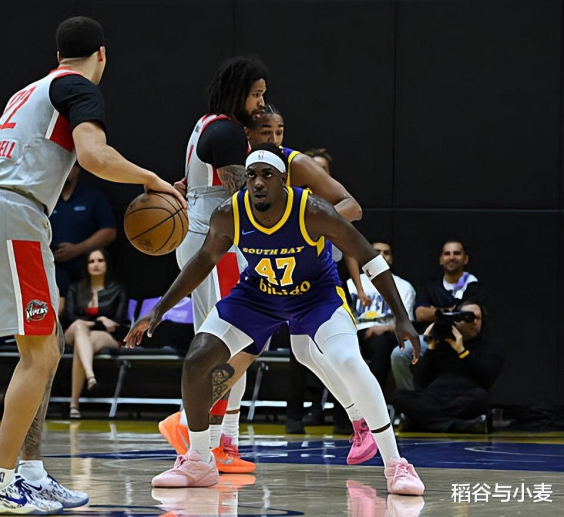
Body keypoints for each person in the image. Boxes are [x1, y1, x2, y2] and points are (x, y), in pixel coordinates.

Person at [0, 16, 185, 514]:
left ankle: (30, 473)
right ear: (101, 55)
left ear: (58, 53)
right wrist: (151, 179)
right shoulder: (78, 86)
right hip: (13, 215)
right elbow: (94, 155)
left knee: (49, 347)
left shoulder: (30, 90)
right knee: (39, 356)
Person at [127, 145, 424, 495]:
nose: (257, 182)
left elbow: (370, 257)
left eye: (267, 175)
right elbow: (204, 259)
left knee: (346, 359)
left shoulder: (313, 210)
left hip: (315, 297)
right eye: (252, 175)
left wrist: (401, 317)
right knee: (197, 359)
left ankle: (396, 464)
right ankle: (199, 460)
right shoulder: (229, 212)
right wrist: (159, 309)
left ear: (283, 179)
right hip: (258, 296)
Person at [163, 85, 363, 472]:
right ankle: (213, 435)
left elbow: (350, 205)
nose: (273, 138)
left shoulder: (291, 163)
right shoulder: (247, 172)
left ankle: (359, 421)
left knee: (295, 350)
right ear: (247, 136)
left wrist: (311, 223)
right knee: (243, 345)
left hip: (307, 273)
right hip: (262, 271)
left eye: (279, 131)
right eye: (264, 131)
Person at [392, 300, 502, 433]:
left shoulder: (489, 345)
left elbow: (486, 379)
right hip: (436, 396)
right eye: (468, 317)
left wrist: (462, 351)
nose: (474, 322)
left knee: (481, 398)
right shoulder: (443, 339)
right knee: (399, 397)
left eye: (478, 318)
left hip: (464, 396)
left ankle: (419, 423)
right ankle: (461, 425)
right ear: (456, 319)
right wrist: (431, 346)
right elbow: (420, 381)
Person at [391, 240, 484, 390]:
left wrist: (436, 312)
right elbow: (420, 314)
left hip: (464, 340)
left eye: (456, 253)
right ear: (441, 259)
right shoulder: (429, 286)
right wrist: (451, 312)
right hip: (432, 337)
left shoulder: (474, 286)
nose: (451, 257)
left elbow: (470, 316)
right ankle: (410, 398)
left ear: (465, 259)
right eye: (447, 254)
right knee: (399, 354)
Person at [63, 248, 129, 418]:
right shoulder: (75, 288)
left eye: (100, 260)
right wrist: (99, 320)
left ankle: (74, 405)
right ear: (86, 266)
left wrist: (99, 322)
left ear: (107, 264)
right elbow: (69, 317)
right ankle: (90, 375)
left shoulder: (117, 289)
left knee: (80, 345)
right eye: (91, 261)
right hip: (74, 331)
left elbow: (118, 322)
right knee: (79, 327)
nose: (96, 264)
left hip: (104, 336)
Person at [347, 240, 415, 390]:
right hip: (354, 332)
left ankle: (374, 396)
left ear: (391, 259)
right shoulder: (351, 284)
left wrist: (382, 328)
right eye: (376, 252)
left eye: (386, 253)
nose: (381, 256)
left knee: (381, 343)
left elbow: (407, 323)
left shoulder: (404, 287)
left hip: (386, 333)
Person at [50, 163, 116, 285]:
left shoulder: (92, 195)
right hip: (52, 267)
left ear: (77, 169)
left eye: (68, 166)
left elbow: (109, 231)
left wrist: (77, 249)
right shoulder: (48, 198)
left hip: (85, 269)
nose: (63, 170)